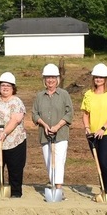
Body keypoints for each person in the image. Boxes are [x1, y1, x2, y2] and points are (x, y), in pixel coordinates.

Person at [81, 63, 107, 199]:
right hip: (92, 134)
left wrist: (103, 128)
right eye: (96, 77)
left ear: (105, 79)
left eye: (101, 77)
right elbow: (85, 114)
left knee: (104, 160)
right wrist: (87, 128)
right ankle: (103, 188)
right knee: (98, 162)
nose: (98, 79)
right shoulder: (88, 94)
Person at [32, 63, 73, 195]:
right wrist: (44, 125)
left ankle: (59, 188)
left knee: (59, 160)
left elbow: (69, 113)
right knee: (49, 160)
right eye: (48, 77)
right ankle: (52, 185)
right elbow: (35, 114)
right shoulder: (39, 96)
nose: (50, 80)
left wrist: (56, 126)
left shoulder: (64, 94)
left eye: (53, 77)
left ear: (57, 79)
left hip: (60, 133)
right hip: (45, 134)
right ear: (44, 79)